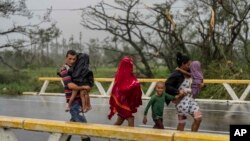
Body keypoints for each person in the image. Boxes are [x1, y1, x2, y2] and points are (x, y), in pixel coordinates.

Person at [58, 50, 91, 141]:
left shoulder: (78, 69)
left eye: (74, 59)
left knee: (72, 124)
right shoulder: (64, 70)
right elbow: (70, 85)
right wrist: (84, 86)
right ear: (66, 58)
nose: (72, 61)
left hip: (79, 101)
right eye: (70, 59)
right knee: (83, 125)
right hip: (73, 103)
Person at [165, 52, 202, 132]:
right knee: (182, 123)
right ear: (183, 64)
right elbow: (167, 86)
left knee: (198, 118)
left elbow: (198, 77)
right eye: (188, 64)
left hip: (191, 100)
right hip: (181, 102)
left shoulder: (190, 72)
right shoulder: (176, 74)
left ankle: (192, 138)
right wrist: (178, 91)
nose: (190, 66)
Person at [108, 56, 142, 127]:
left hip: (126, 102)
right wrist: (135, 85)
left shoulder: (130, 75)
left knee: (119, 121)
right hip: (122, 103)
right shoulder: (121, 76)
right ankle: (131, 137)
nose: (131, 67)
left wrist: (136, 85)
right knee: (130, 118)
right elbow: (123, 89)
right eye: (130, 65)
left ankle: (109, 136)